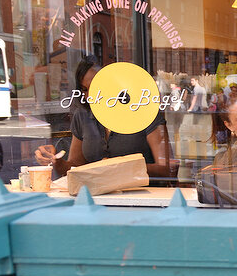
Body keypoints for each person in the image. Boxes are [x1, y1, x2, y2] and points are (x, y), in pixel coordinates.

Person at [35, 57, 175, 182]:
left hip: (144, 201)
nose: (89, 96)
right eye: (84, 89)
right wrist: (56, 161)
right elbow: (76, 168)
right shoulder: (83, 115)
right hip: (98, 202)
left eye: (96, 87)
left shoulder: (144, 111)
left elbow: (166, 169)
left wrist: (119, 167)